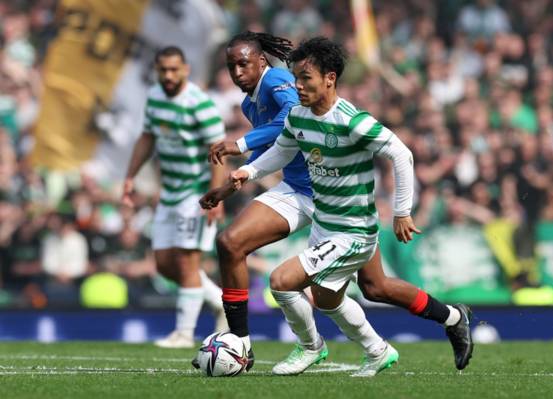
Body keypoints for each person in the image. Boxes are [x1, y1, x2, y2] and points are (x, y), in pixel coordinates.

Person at [204, 32, 473, 372]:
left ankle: (308, 347)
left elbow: (401, 154)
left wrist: (402, 212)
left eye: (304, 79)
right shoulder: (298, 117)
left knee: (283, 282)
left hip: (353, 227)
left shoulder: (351, 120)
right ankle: (443, 320)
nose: (296, 85)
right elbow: (282, 151)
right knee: (369, 290)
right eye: (297, 78)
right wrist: (248, 172)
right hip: (322, 216)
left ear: (329, 79)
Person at [122, 46, 227, 348]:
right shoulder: (155, 97)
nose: (168, 75)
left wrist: (215, 197)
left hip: (196, 193)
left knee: (187, 262)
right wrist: (130, 177)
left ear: (186, 69)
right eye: (163, 70)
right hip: (169, 192)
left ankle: (183, 333)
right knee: (165, 264)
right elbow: (147, 137)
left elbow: (219, 153)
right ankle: (219, 301)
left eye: (174, 69)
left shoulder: (200, 104)